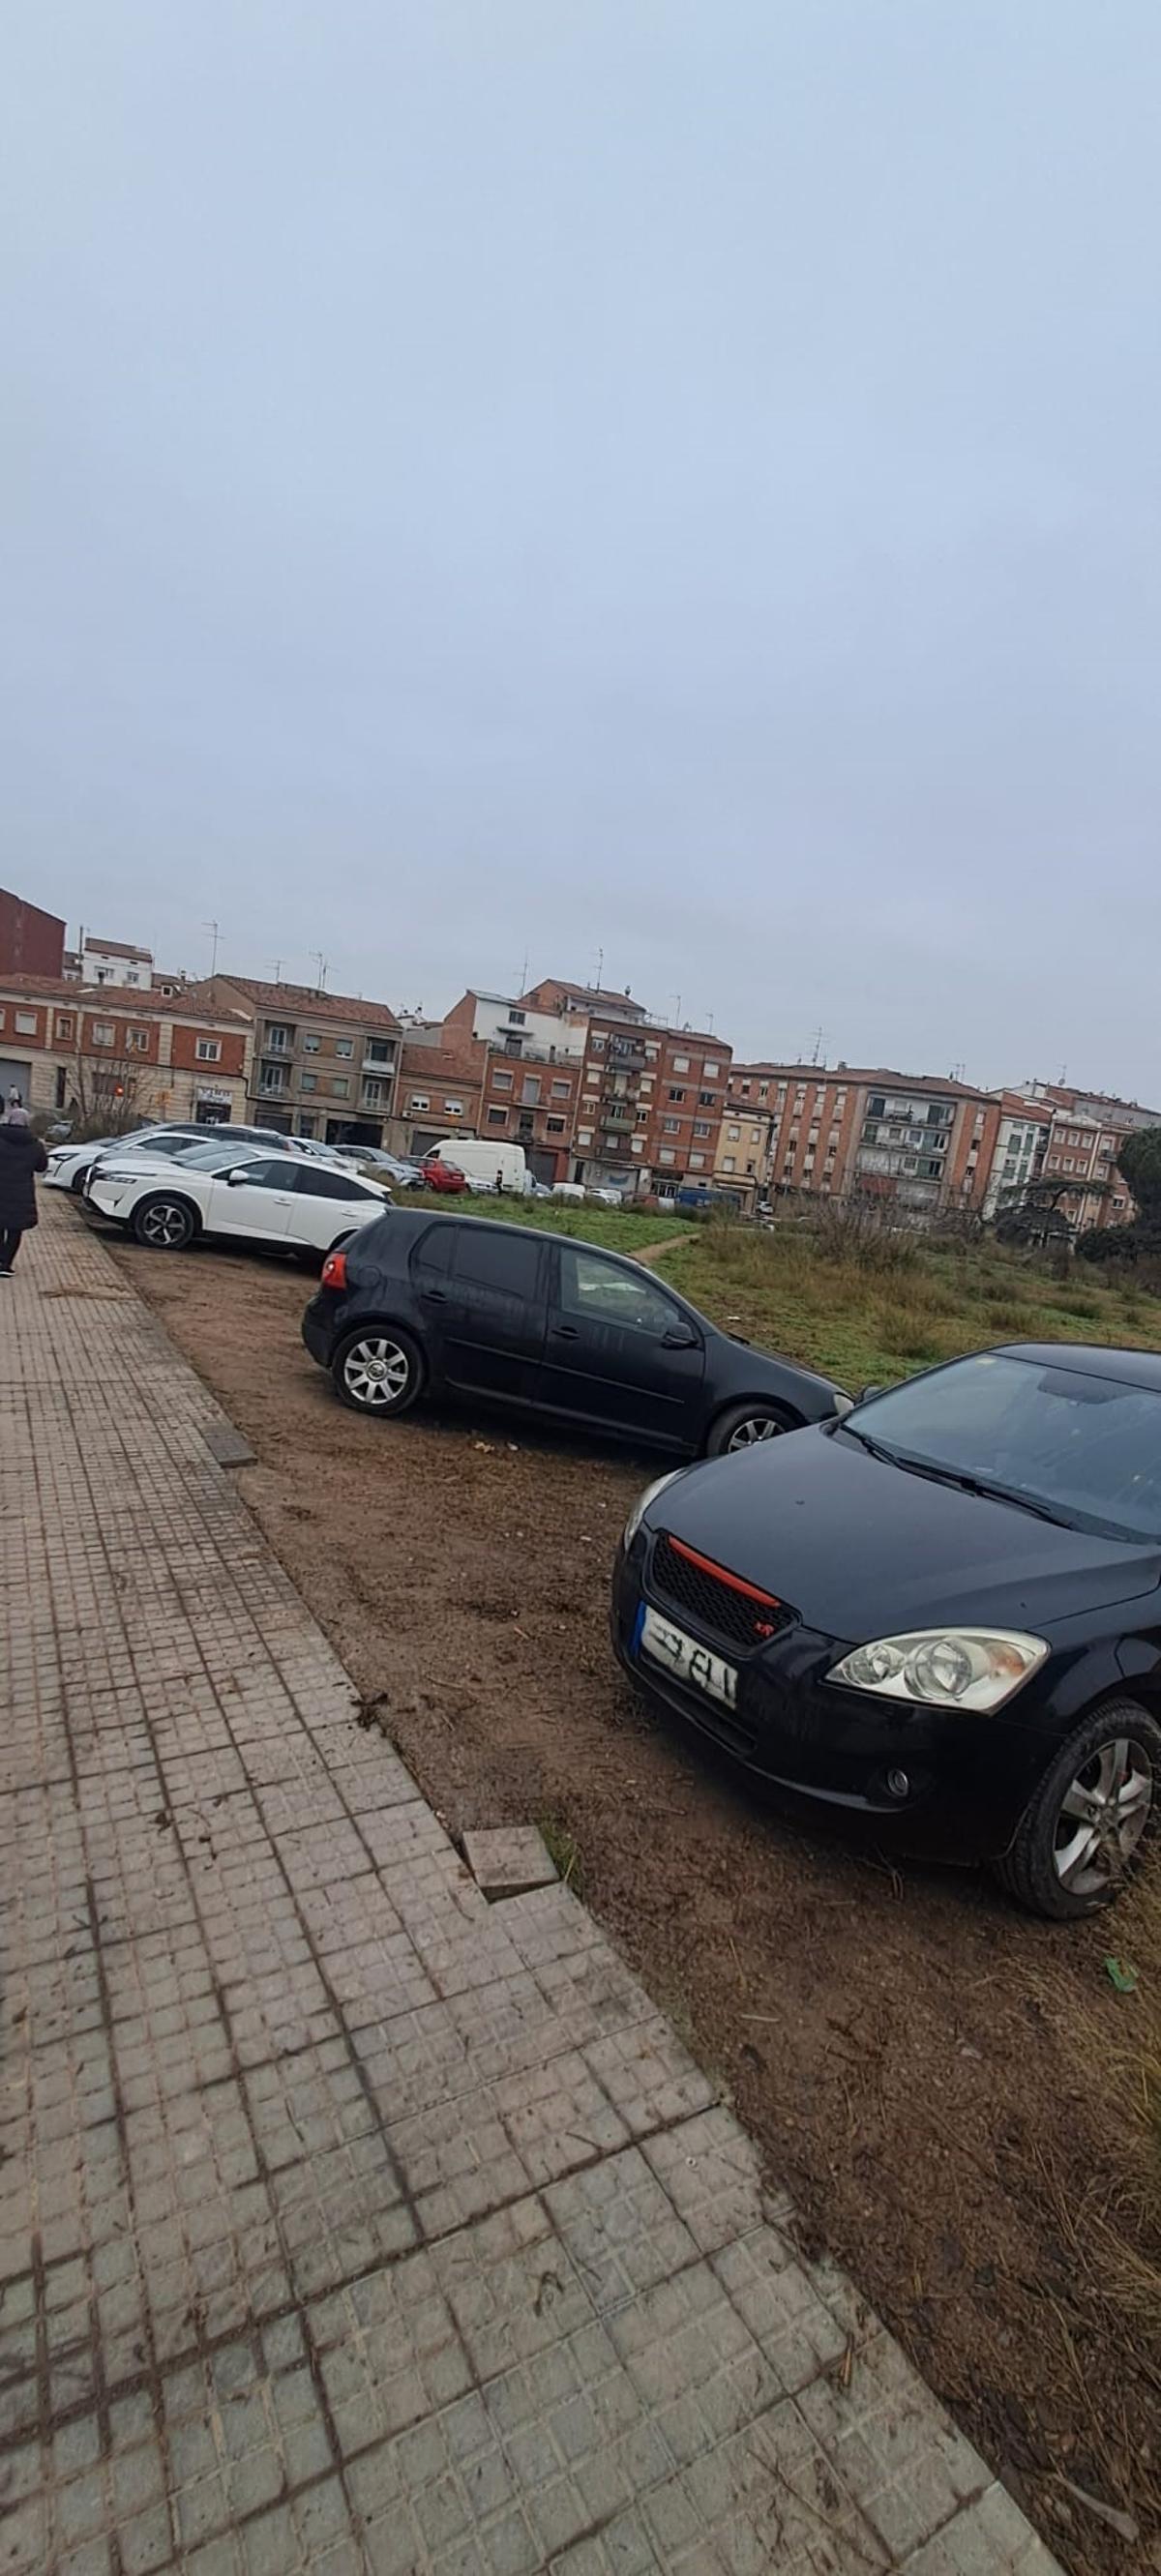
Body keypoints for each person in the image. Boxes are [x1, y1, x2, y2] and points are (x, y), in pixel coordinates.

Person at [0, 1116, 48, 1275]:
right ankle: (6, 1264)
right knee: (15, 1229)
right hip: (21, 1192)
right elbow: (41, 1167)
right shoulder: (35, 1145)